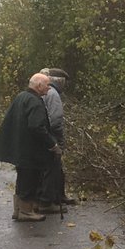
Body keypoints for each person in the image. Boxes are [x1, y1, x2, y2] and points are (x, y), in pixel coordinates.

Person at [0, 73, 60, 222]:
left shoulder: (21, 96)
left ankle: (18, 210)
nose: (49, 89)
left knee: (22, 179)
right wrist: (52, 144)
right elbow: (37, 127)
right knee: (30, 179)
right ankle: (26, 212)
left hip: (20, 147)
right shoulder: (35, 101)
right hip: (30, 150)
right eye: (47, 85)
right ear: (39, 85)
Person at [36, 67, 73, 212]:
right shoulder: (53, 94)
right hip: (52, 137)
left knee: (56, 169)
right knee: (53, 168)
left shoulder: (45, 93)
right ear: (60, 81)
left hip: (45, 136)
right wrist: (55, 140)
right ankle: (47, 201)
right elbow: (56, 120)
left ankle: (59, 195)